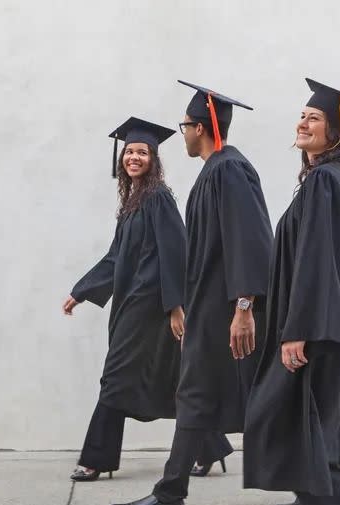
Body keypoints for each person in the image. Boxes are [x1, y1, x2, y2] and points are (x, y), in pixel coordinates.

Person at [108, 82, 273, 505]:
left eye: (184, 126)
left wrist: (244, 307)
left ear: (200, 127)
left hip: (223, 312)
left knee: (234, 394)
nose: (181, 133)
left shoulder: (230, 170)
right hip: (208, 310)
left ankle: (170, 494)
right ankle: (170, 493)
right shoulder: (214, 169)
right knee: (197, 396)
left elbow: (251, 239)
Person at [243, 78, 340, 505]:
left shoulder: (324, 182)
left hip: (314, 331)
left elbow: (317, 260)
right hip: (329, 326)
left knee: (286, 428)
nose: (303, 122)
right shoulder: (334, 179)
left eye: (314, 117)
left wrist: (296, 330)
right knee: (314, 435)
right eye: (302, 115)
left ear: (336, 131)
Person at [64, 117, 231, 482]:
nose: (134, 157)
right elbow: (115, 258)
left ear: (154, 159)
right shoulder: (133, 201)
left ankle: (96, 457)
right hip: (132, 306)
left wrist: (176, 307)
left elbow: (176, 252)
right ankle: (209, 446)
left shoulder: (158, 198)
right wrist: (81, 291)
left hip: (151, 307)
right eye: (130, 152)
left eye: (142, 152)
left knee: (115, 377)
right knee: (171, 380)